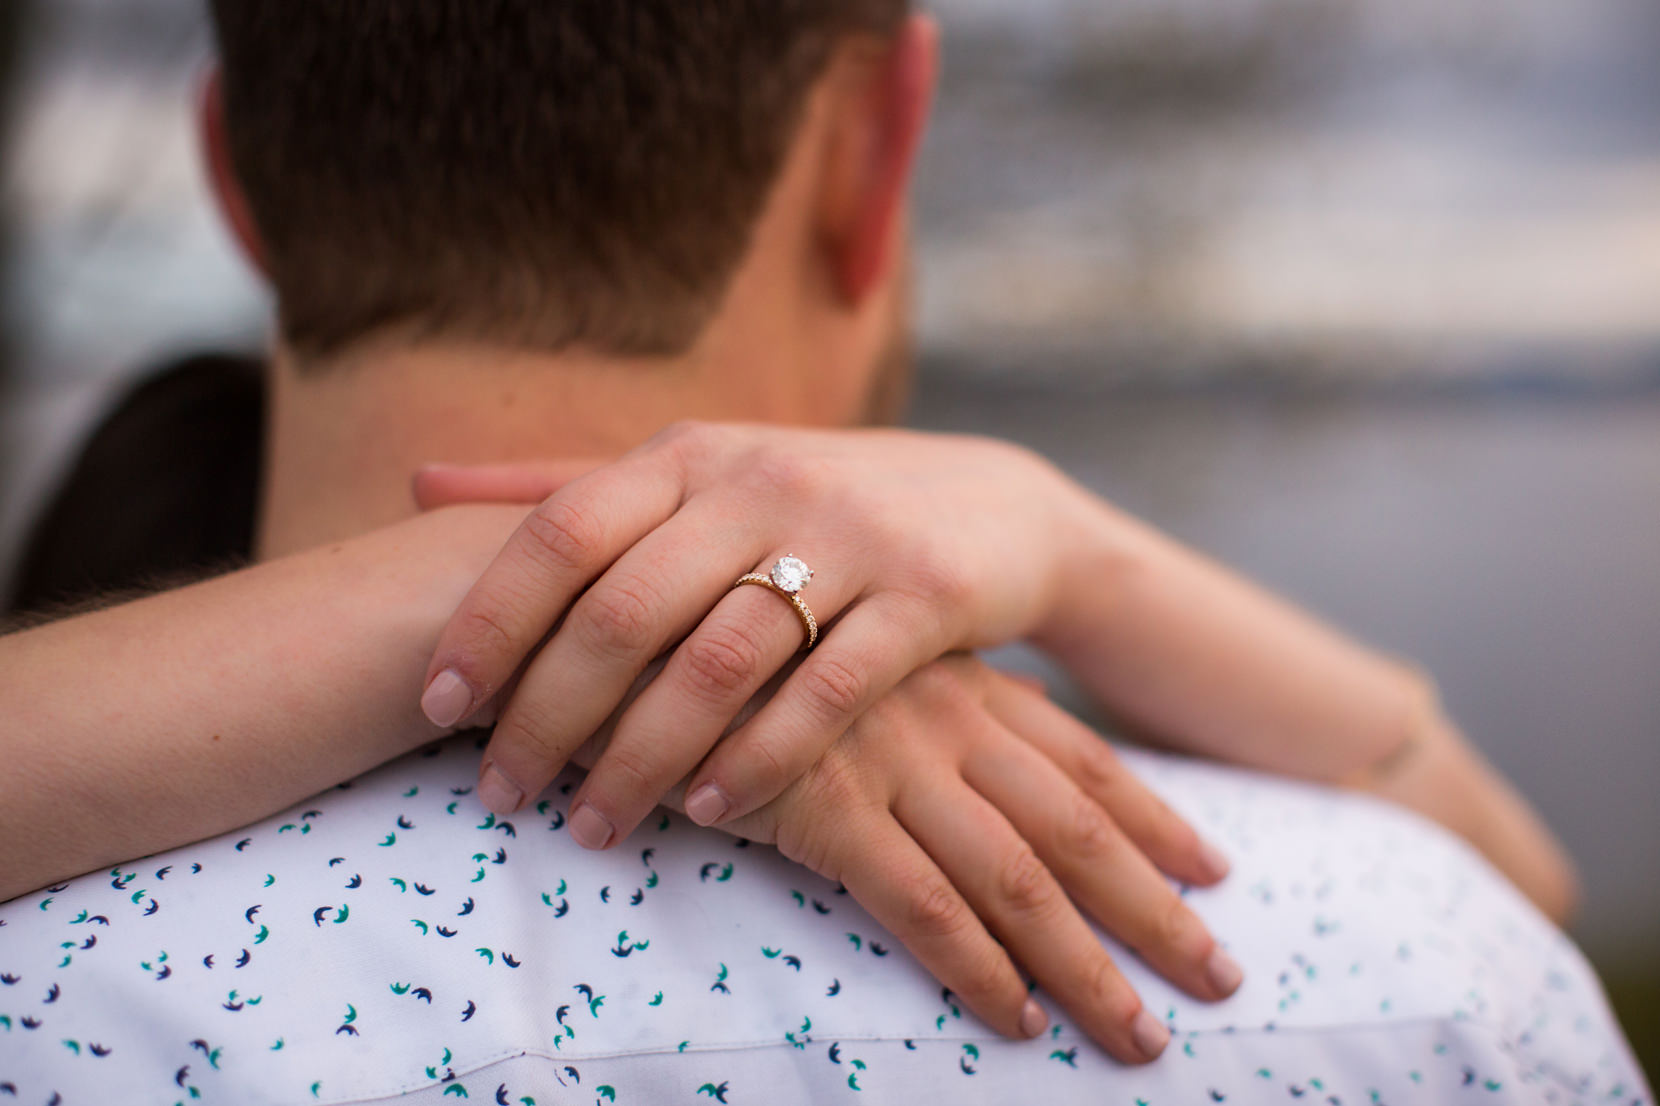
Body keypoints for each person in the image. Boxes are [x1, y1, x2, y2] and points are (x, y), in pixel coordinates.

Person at [0, 2, 1644, 1102]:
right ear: (878, 145)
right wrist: (1059, 541)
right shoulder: (1430, 966)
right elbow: (1525, 895)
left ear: (236, 177)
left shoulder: (47, 989)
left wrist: (500, 577)